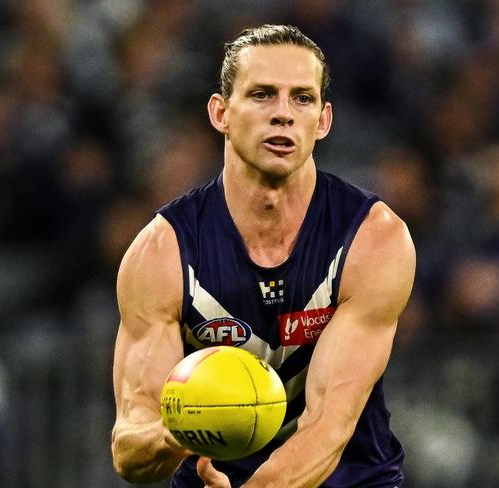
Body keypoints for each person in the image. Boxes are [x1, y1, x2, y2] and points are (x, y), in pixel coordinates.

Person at [111, 24, 415, 488]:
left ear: (324, 120)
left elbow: (328, 427)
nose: (283, 115)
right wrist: (180, 432)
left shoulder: (373, 239)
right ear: (220, 113)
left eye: (302, 99)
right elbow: (130, 450)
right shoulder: (161, 252)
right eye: (262, 95)